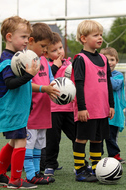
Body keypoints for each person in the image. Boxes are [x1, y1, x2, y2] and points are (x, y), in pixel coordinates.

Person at [0, 16, 39, 189]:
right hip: (12, 110)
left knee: (13, 142)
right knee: (21, 140)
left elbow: (23, 87)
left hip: (18, 110)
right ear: (9, 37)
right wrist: (29, 75)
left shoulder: (17, 57)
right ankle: (15, 180)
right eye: (23, 37)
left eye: (27, 37)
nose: (27, 41)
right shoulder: (8, 60)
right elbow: (10, 84)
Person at [71, 20, 115, 182]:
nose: (100, 38)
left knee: (98, 138)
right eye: (95, 35)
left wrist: (111, 105)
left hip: (102, 109)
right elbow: (79, 85)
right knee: (81, 138)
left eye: (101, 35)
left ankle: (97, 168)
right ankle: (80, 170)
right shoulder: (80, 59)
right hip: (87, 110)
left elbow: (108, 84)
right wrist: (81, 108)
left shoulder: (103, 59)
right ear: (83, 38)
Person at [41, 32, 83, 176]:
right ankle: (50, 164)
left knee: (76, 136)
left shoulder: (70, 64)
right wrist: (55, 67)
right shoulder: (46, 65)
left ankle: (80, 163)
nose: (59, 52)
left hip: (70, 109)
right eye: (54, 50)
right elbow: (45, 81)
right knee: (53, 139)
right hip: (53, 110)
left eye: (60, 48)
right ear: (46, 53)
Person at [23, 23, 58, 185]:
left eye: (47, 47)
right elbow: (25, 84)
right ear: (31, 41)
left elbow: (51, 81)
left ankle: (37, 173)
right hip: (31, 113)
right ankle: (30, 175)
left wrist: (60, 90)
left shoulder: (44, 60)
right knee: (29, 144)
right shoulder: (24, 60)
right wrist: (44, 88)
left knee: (39, 144)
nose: (45, 50)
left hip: (45, 111)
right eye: (42, 46)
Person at [100, 47, 126, 164]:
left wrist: (102, 75)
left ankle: (114, 154)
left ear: (117, 61)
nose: (109, 62)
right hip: (100, 111)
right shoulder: (98, 74)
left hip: (113, 113)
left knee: (111, 136)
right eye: (106, 59)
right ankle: (96, 154)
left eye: (112, 59)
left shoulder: (118, 75)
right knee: (98, 135)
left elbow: (114, 85)